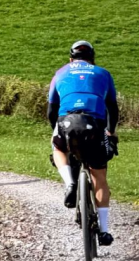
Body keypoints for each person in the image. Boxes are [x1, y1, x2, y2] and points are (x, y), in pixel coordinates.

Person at [49, 40, 118, 247]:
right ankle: (104, 230)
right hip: (95, 125)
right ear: (92, 59)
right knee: (100, 178)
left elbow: (51, 111)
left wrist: (56, 129)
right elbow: (112, 109)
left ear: (71, 59)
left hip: (66, 122)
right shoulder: (103, 73)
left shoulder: (60, 73)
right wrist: (111, 132)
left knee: (58, 148)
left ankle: (69, 182)